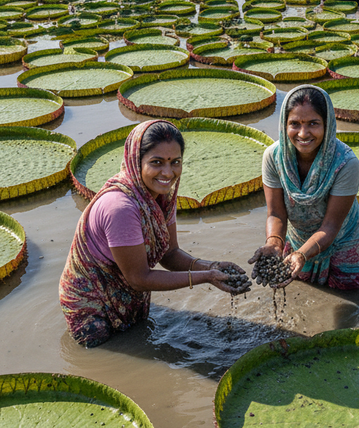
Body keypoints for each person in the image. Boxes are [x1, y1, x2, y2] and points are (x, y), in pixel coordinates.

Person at [59, 121, 247, 347]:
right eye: (156, 163)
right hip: (91, 303)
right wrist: (205, 278)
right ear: (136, 162)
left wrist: (211, 266)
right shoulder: (121, 208)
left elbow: (170, 254)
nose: (168, 173)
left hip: (126, 292)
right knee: (105, 353)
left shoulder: (161, 198)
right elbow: (139, 279)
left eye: (175, 162)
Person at [248, 85, 359, 290]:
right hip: (298, 232)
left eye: (313, 124)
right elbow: (275, 213)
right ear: (284, 125)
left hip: (340, 235)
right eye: (295, 124)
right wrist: (274, 243)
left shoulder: (346, 164)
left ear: (327, 125)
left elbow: (330, 227)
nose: (303, 133)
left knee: (348, 293)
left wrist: (302, 253)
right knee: (301, 283)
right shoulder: (273, 157)